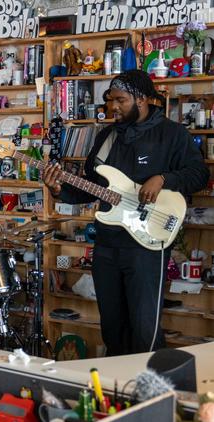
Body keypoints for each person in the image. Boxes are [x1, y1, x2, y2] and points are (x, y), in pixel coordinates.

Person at [42, 70, 209, 356]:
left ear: (142, 99)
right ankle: (117, 393)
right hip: (107, 245)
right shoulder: (107, 137)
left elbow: (199, 175)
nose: (113, 107)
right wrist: (59, 189)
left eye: (120, 100)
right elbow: (92, 187)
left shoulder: (172, 134)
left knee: (145, 330)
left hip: (146, 247)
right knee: (112, 328)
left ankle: (151, 392)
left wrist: (164, 179)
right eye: (110, 100)